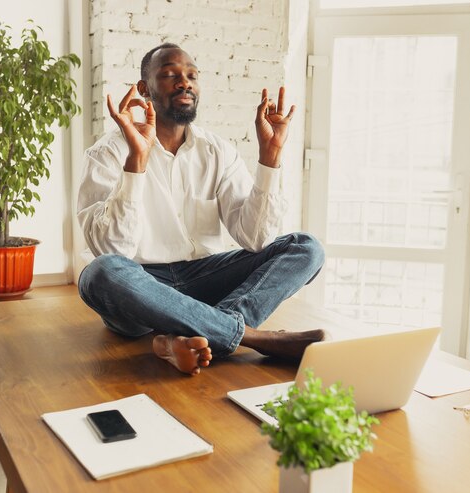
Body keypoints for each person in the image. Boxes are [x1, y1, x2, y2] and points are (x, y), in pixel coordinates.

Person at [77, 43, 325, 376]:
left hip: (205, 276)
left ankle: (183, 336)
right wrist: (136, 161)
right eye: (169, 75)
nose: (185, 83)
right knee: (101, 272)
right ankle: (250, 337)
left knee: (306, 248)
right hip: (140, 285)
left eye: (192, 75)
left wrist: (271, 157)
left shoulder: (217, 150)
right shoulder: (106, 154)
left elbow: (255, 239)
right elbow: (114, 250)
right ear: (143, 89)